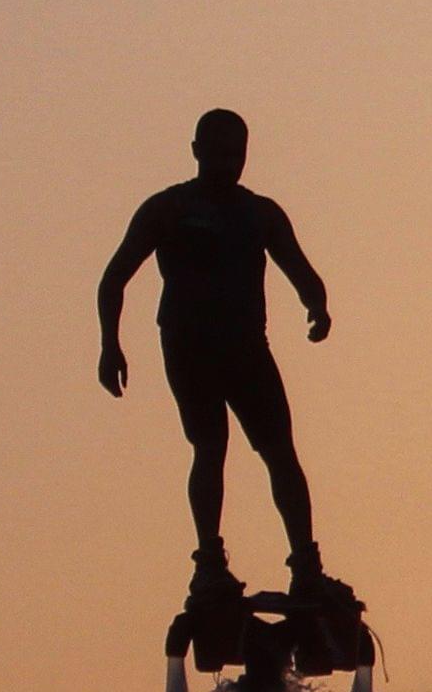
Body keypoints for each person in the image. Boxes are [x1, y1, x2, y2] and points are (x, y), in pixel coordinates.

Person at [96, 107, 339, 612]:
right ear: (197, 150)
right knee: (210, 446)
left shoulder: (259, 213)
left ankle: (306, 564)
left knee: (279, 451)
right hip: (189, 348)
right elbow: (115, 277)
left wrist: (316, 305)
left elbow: (300, 268)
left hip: (247, 349)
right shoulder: (168, 209)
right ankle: (209, 561)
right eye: (219, 153)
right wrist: (110, 345)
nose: (229, 163)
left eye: (237, 154)